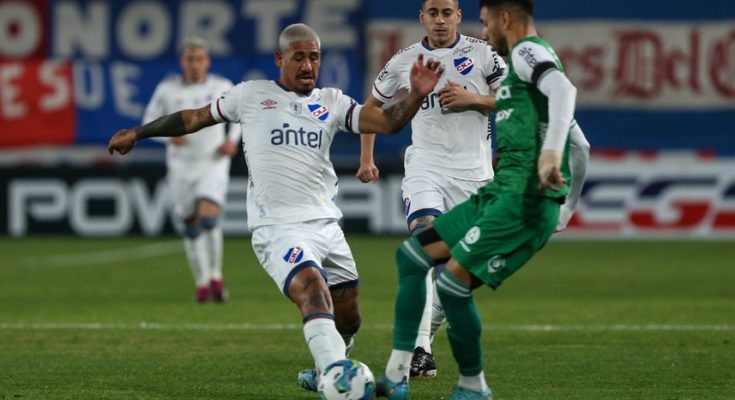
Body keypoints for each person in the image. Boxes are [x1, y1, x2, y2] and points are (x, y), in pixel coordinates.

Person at [108, 23, 444, 392]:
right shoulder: (250, 96)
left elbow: (386, 123)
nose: (307, 66)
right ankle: (337, 375)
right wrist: (138, 134)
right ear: (279, 59)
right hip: (277, 228)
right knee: (313, 290)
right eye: (298, 57)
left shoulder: (333, 101)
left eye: (314, 57)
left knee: (348, 316)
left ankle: (329, 363)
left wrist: (415, 95)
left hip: (327, 227)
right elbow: (193, 118)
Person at [376, 0, 590, 399]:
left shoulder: (527, 51)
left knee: (452, 283)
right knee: (412, 257)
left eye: (486, 22)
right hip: (499, 192)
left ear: (504, 19)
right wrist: (568, 210)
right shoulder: (520, 78)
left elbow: (564, 89)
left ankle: (472, 385)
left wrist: (547, 157)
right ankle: (397, 374)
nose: (485, 33)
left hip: (521, 200)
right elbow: (581, 145)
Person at [357, 0, 506, 378]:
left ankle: (427, 336)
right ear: (422, 18)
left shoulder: (484, 54)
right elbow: (372, 107)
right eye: (432, 13)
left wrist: (472, 99)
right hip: (426, 167)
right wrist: (367, 158)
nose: (440, 20)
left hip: (475, 176)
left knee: (457, 271)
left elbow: (516, 102)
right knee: (424, 241)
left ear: (458, 16)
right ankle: (420, 347)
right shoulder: (404, 60)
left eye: (447, 12)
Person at [142, 37, 241, 303]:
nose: (195, 65)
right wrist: (167, 137)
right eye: (190, 60)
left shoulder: (222, 87)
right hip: (181, 166)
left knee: (209, 216)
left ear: (207, 61)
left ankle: (216, 278)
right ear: (182, 62)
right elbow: (148, 121)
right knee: (191, 224)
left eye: (199, 59)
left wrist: (231, 141)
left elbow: (239, 117)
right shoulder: (167, 90)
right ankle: (201, 281)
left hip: (213, 162)